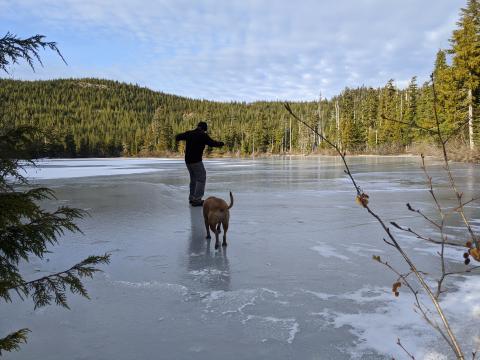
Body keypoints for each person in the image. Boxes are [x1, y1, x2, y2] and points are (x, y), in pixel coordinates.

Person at [175, 121, 224, 206]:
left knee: (193, 179)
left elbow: (177, 137)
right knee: (201, 178)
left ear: (198, 126)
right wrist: (221, 143)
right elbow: (212, 143)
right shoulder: (203, 135)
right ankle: (197, 199)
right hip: (196, 161)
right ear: (204, 129)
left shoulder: (189, 133)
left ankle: (192, 198)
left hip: (188, 161)